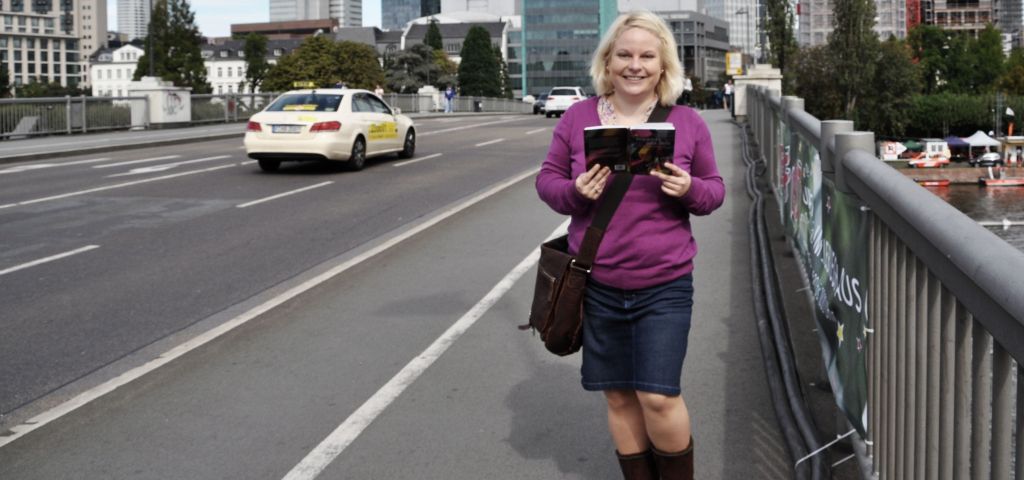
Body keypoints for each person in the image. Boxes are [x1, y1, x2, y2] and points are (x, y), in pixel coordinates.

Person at [535, 10, 725, 480]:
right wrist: (576, 192)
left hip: (665, 284)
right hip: (596, 282)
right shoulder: (579, 117)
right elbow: (548, 181)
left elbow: (715, 190)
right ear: (608, 60)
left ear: (664, 67)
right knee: (619, 394)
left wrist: (690, 190)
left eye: (646, 56)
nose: (634, 65)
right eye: (624, 54)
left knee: (658, 396)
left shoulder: (687, 122)